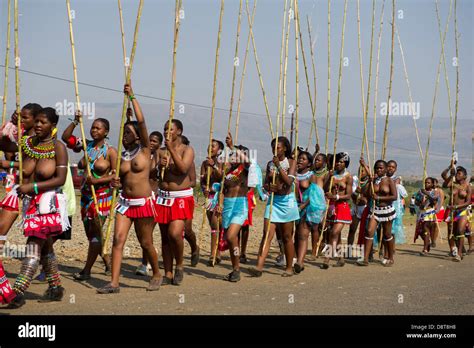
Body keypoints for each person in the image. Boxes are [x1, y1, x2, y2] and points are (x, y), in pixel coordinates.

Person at [0, 107, 69, 308]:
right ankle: (56, 287)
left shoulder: (58, 148)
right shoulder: (27, 144)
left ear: (53, 126)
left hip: (48, 204)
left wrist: (33, 186)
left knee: (33, 245)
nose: (38, 125)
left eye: (43, 122)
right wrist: (12, 124)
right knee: (45, 246)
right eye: (36, 121)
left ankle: (18, 292)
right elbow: (9, 151)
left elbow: (61, 179)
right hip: (30, 204)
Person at [97, 83, 163, 294]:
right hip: (125, 203)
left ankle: (156, 273)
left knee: (145, 242)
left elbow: (141, 122)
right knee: (118, 240)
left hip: (143, 204)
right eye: (123, 132)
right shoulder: (122, 156)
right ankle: (114, 283)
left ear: (137, 136)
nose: (124, 135)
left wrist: (132, 96)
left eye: (128, 132)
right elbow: (119, 179)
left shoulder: (144, 150)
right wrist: (115, 182)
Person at [62, 112, 117, 280]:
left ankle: (86, 270)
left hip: (102, 198)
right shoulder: (86, 145)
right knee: (92, 235)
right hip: (86, 197)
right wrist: (75, 121)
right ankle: (107, 260)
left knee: (95, 232)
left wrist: (98, 180)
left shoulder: (110, 152)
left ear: (106, 132)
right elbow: (66, 138)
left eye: (98, 128)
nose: (94, 131)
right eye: (92, 127)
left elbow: (115, 176)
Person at [249, 136, 298, 277]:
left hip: (287, 202)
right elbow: (265, 184)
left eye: (277, 147)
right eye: (273, 147)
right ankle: (259, 266)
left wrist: (278, 167)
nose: (274, 150)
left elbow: (289, 182)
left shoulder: (291, 162)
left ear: (285, 148)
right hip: (273, 202)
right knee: (266, 235)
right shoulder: (270, 163)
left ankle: (289, 267)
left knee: (287, 236)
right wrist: (268, 186)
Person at [155, 119, 195, 285]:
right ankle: (168, 273)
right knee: (165, 237)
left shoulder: (187, 150)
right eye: (165, 129)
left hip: (180, 197)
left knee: (175, 233)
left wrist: (171, 150)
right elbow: (154, 174)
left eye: (170, 129)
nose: (166, 132)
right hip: (163, 196)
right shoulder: (160, 151)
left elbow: (183, 169)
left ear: (179, 131)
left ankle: (179, 265)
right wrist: (159, 166)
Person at [0, 104, 43, 252]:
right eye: (20, 117)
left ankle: (51, 273)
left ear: (35, 119)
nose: (21, 120)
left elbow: (30, 165)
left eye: (25, 117)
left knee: (40, 238)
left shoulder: (40, 140)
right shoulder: (23, 137)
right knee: (1, 228)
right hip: (16, 190)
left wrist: (9, 163)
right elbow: (6, 146)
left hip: (34, 192)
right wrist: (11, 123)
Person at [214, 133, 250, 282]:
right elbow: (222, 190)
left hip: (240, 206)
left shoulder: (245, 169)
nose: (234, 157)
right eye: (232, 155)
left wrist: (232, 146)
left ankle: (236, 268)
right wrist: (220, 204)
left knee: (230, 236)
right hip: (227, 206)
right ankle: (235, 268)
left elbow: (248, 161)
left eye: (237, 155)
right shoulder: (226, 173)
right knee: (231, 240)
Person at [357, 159, 397, 267]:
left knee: (387, 234)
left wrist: (379, 197)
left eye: (381, 168)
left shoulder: (389, 180)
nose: (378, 170)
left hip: (387, 210)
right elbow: (365, 192)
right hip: (375, 210)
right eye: (377, 168)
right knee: (369, 231)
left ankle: (390, 258)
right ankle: (365, 258)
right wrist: (370, 182)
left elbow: (394, 197)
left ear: (385, 169)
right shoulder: (373, 180)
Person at [135, 130, 163, 276]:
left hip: (154, 198)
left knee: (147, 232)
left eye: (155, 141)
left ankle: (145, 264)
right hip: (141, 198)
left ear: (160, 144)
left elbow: (153, 172)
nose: (151, 143)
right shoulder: (143, 154)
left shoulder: (161, 157)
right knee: (140, 233)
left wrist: (158, 162)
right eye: (150, 140)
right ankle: (150, 257)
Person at [294, 150, 325, 273]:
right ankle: (295, 258)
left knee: (303, 235)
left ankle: (300, 262)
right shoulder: (293, 173)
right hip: (292, 207)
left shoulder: (312, 176)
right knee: (295, 236)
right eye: (299, 158)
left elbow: (314, 195)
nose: (300, 160)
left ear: (308, 164)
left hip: (306, 208)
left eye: (303, 159)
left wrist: (302, 206)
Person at [321, 152, 353, 268]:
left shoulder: (348, 177)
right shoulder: (331, 175)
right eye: (337, 161)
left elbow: (349, 195)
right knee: (336, 234)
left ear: (345, 164)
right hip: (332, 207)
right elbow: (324, 188)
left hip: (342, 207)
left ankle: (327, 258)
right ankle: (341, 258)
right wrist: (328, 177)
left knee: (334, 232)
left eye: (341, 162)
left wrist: (337, 197)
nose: (338, 164)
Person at [200, 139, 224, 266]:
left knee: (216, 224)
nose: (210, 147)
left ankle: (213, 254)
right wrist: (204, 189)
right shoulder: (204, 163)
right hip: (209, 198)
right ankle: (217, 252)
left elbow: (221, 177)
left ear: (219, 150)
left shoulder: (222, 162)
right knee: (213, 226)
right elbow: (202, 181)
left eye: (213, 146)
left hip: (219, 197)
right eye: (209, 145)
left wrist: (213, 165)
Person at [441, 163, 471, 261]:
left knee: (460, 230)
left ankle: (459, 253)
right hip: (451, 211)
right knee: (451, 232)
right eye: (456, 173)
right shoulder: (452, 184)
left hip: (462, 211)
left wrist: (457, 206)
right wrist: (450, 168)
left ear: (465, 176)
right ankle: (452, 250)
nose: (457, 175)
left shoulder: (468, 187)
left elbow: (468, 202)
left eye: (459, 173)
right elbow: (444, 181)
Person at [308, 152, 328, 259]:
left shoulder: (327, 174)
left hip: (320, 204)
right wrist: (315, 152)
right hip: (309, 202)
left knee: (316, 227)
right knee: (309, 227)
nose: (316, 161)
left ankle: (315, 251)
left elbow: (326, 188)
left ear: (324, 163)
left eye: (319, 160)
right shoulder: (311, 173)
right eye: (316, 160)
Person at [414, 177, 440, 255]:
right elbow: (416, 201)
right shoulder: (420, 191)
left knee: (429, 231)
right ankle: (426, 245)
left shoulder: (434, 192)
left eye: (428, 183)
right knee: (423, 231)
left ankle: (426, 247)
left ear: (432, 184)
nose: (426, 184)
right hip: (422, 213)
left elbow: (435, 201)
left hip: (431, 213)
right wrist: (420, 204)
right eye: (425, 182)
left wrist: (427, 194)